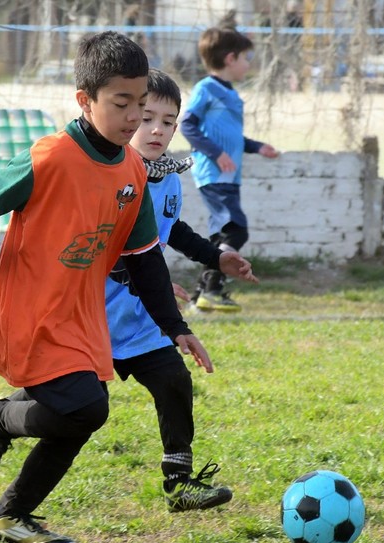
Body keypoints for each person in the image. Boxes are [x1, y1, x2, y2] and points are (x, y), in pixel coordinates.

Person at [0, 31, 214, 543]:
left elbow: (144, 260)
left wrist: (176, 328)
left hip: (81, 315)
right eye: (121, 104)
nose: (135, 117)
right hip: (31, 310)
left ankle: (9, 516)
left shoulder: (133, 169)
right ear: (85, 100)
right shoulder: (50, 157)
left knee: (80, 414)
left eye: (141, 104)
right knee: (87, 407)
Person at [106, 68, 258, 512]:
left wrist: (216, 257)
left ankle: (180, 483)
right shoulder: (108, 174)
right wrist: (145, 277)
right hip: (90, 314)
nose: (156, 129)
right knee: (64, 406)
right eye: (146, 116)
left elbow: (171, 230)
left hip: (140, 316)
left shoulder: (167, 177)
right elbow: (99, 249)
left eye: (168, 121)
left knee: (173, 379)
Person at [181, 27, 279, 313]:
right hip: (212, 172)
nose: (249, 64)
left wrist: (257, 147)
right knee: (237, 230)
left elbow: (233, 136)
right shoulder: (205, 88)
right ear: (230, 58)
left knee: (222, 236)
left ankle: (200, 296)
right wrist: (217, 153)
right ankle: (212, 289)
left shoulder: (231, 94)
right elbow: (187, 124)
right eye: (247, 58)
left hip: (228, 175)